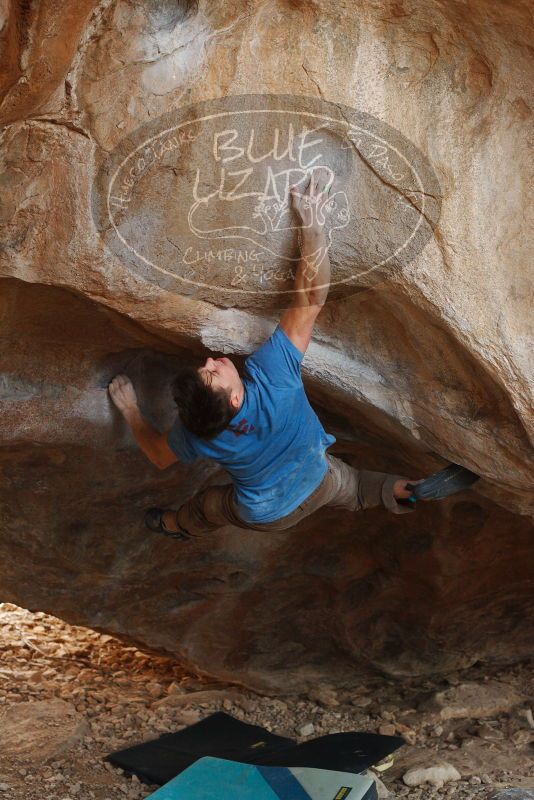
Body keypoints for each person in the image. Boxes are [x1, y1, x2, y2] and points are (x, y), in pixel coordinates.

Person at [108, 167, 422, 541]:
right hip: (317, 481)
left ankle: (175, 524)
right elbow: (311, 298)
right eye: (213, 374)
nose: (210, 361)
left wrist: (130, 409)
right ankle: (397, 491)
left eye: (205, 369)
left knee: (211, 507)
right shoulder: (274, 378)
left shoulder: (195, 434)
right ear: (236, 397)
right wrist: (312, 223)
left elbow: (160, 457)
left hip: (270, 513)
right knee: (349, 486)